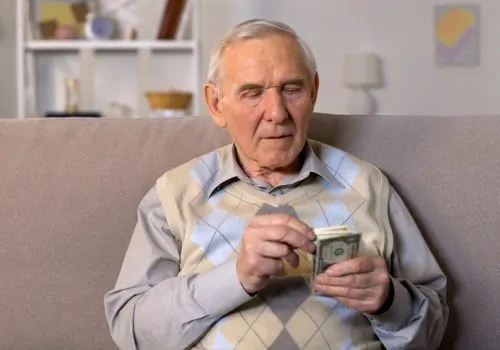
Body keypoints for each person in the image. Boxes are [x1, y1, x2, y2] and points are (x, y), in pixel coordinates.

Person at [104, 19, 449, 350]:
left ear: (313, 92)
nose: (277, 113)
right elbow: (131, 329)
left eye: (291, 89)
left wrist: (390, 301)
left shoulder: (369, 185)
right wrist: (235, 278)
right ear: (216, 104)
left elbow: (434, 328)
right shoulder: (174, 195)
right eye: (252, 93)